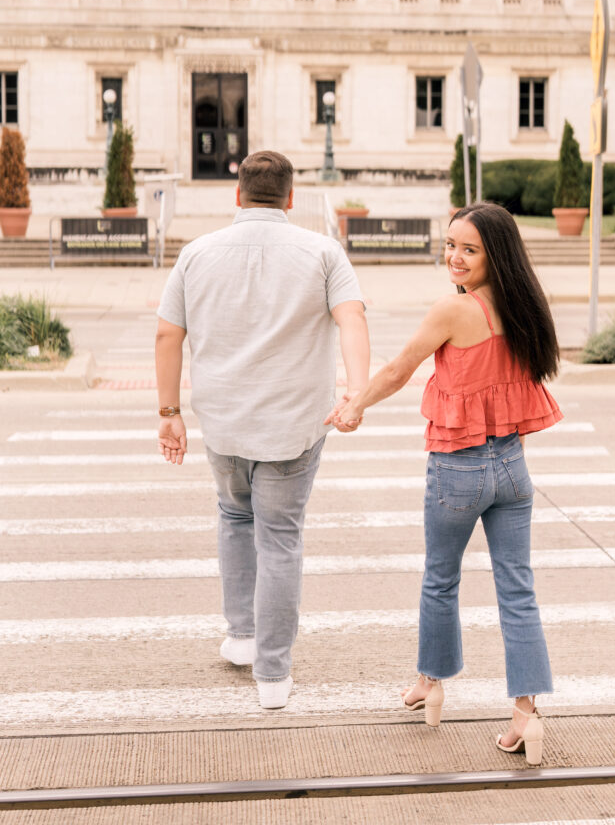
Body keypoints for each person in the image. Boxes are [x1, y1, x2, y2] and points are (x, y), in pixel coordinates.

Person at [327, 201, 561, 765]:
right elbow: (520, 396)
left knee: (440, 580)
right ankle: (526, 714)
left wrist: (354, 404)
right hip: (512, 467)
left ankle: (431, 685)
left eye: (469, 249)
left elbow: (399, 368)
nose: (454, 257)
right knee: (518, 591)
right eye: (451, 245)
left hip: (458, 467)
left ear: (493, 254)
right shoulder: (526, 306)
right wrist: (508, 460)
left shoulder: (455, 312)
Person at [155, 150, 369, 710]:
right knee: (280, 536)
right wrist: (357, 392)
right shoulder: (323, 252)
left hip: (223, 423)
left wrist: (168, 412)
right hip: (295, 424)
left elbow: (166, 337)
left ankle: (243, 637)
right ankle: (273, 676)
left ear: (238, 195)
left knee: (233, 516)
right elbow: (353, 318)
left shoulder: (196, 254)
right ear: (291, 198)